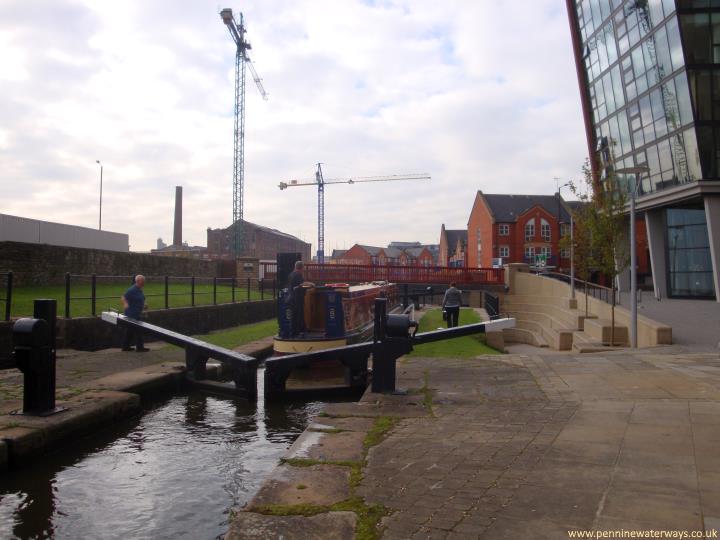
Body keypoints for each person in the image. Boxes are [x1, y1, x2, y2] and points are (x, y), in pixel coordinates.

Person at [121, 274, 149, 352]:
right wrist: (125, 304)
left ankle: (125, 347)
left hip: (137, 313)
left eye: (144, 281)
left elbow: (141, 299)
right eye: (143, 281)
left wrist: (144, 305)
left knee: (130, 331)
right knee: (139, 330)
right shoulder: (132, 289)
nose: (144, 282)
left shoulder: (140, 289)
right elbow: (123, 297)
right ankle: (140, 348)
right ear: (138, 281)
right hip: (132, 314)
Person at [287, 261, 313, 336]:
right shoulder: (298, 275)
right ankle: (299, 332)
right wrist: (311, 284)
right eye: (303, 269)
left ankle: (293, 332)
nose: (303, 271)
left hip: (291, 298)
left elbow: (297, 285)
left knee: (293, 316)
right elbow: (302, 284)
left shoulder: (291, 274)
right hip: (297, 299)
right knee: (298, 315)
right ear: (301, 268)